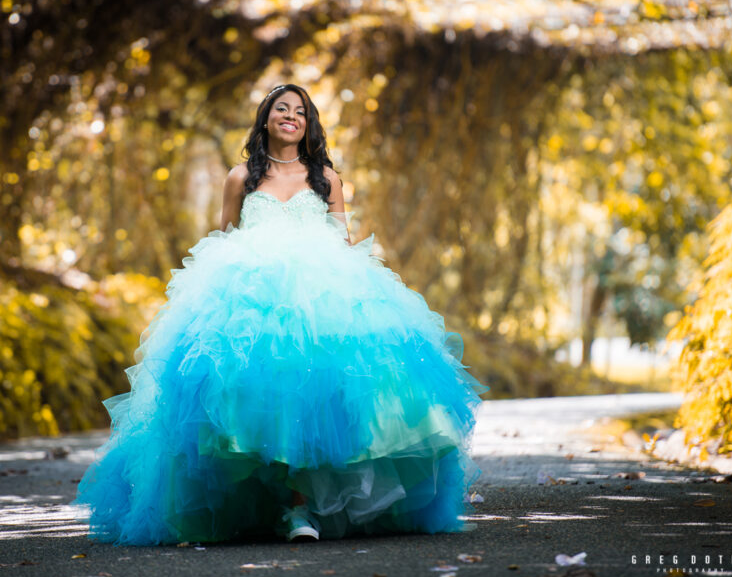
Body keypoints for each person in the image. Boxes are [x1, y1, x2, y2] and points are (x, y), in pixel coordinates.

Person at [73, 83, 488, 545]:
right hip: (251, 300)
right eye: (281, 108)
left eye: (300, 112)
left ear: (308, 125)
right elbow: (224, 237)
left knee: (325, 397)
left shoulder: (327, 178)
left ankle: (308, 506)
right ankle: (285, 506)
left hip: (322, 295)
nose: (290, 116)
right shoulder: (240, 177)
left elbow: (342, 240)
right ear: (266, 118)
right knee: (248, 402)